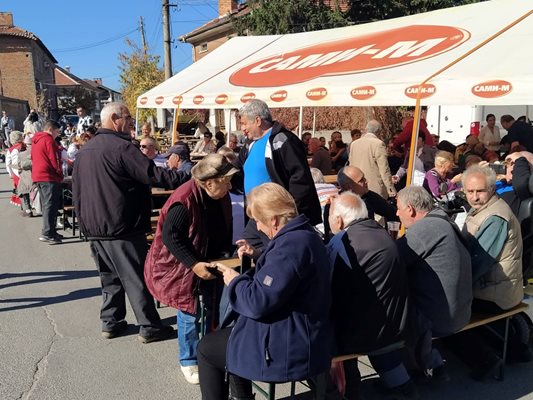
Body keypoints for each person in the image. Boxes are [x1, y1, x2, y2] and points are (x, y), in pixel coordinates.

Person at [197, 183, 333, 400]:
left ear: (274, 220)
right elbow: (287, 275)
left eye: (258, 221)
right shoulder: (305, 234)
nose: (257, 228)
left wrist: (234, 281)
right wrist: (259, 255)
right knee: (229, 339)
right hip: (305, 330)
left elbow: (257, 302)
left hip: (289, 343)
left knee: (207, 348)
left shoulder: (291, 245)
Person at [72, 102, 189, 344]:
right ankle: (149, 326)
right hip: (120, 224)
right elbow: (155, 175)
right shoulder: (122, 148)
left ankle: (111, 321)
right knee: (134, 276)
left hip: (94, 225)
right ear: (115, 118)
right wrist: (188, 175)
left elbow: (77, 190)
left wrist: (82, 222)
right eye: (127, 118)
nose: (130, 123)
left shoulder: (86, 149)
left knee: (109, 276)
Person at [144, 154, 237, 385]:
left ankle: (208, 352)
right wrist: (194, 264)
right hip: (181, 264)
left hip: (211, 257)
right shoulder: (184, 199)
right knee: (189, 310)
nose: (230, 185)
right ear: (209, 182)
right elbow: (171, 236)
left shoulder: (219, 193)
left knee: (213, 306)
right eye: (226, 181)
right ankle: (188, 360)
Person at [328, 192, 414, 400]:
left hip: (368, 332)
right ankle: (401, 382)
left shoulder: (344, 243)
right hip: (396, 321)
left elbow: (329, 288)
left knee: (326, 328)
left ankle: (347, 391)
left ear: (338, 220)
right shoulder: (379, 231)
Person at [446, 165, 524, 380]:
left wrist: (451, 285)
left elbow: (478, 263)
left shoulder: (495, 217)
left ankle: (485, 361)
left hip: (494, 292)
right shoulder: (485, 209)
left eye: (479, 191)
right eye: (469, 192)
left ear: (491, 189)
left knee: (444, 315)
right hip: (496, 286)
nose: (474, 197)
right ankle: (516, 350)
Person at [396, 186, 472, 381]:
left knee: (388, 314)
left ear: (411, 209)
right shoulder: (441, 219)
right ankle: (432, 362)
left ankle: (408, 375)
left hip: (442, 318)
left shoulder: (425, 228)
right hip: (462, 309)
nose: (396, 213)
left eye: (398, 208)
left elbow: (394, 260)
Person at [237, 99, 321, 226]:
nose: (242, 129)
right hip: (255, 216)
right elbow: (238, 169)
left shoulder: (283, 140)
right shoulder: (249, 144)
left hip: (277, 217)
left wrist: (291, 214)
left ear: (258, 121)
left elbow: (300, 178)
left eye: (244, 124)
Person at [31, 120, 64, 244]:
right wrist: (59, 173)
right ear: (51, 129)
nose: (57, 134)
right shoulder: (49, 140)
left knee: (47, 205)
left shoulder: (36, 140)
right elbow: (54, 158)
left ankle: (51, 231)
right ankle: (47, 232)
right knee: (50, 205)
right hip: (48, 176)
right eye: (57, 131)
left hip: (38, 175)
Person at [349, 120, 396, 200]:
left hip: (357, 186)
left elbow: (351, 165)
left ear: (366, 129)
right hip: (374, 187)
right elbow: (384, 169)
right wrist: (390, 188)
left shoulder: (354, 144)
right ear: (379, 131)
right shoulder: (378, 144)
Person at [5, 130, 25, 207]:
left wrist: (10, 174)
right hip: (28, 170)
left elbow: (8, 163)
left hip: (16, 171)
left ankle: (26, 207)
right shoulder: (26, 146)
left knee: (20, 189)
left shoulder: (11, 150)